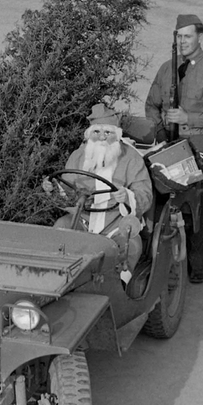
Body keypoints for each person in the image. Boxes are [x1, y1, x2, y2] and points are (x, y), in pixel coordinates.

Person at [145, 14, 203, 283]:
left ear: (200, 37)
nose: (183, 41)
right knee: (164, 205)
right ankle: (166, 262)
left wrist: (187, 118)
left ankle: (197, 265)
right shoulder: (166, 69)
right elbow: (151, 104)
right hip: (168, 146)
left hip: (197, 147)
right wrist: (160, 131)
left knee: (196, 208)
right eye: (179, 36)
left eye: (188, 36)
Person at [43, 104, 152, 277]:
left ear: (116, 135)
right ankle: (55, 278)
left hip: (116, 223)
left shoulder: (131, 158)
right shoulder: (78, 156)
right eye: (97, 132)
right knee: (60, 228)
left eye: (107, 132)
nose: (102, 137)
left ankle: (118, 286)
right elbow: (66, 192)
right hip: (83, 220)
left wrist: (127, 196)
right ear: (89, 134)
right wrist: (53, 189)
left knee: (132, 245)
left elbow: (145, 194)